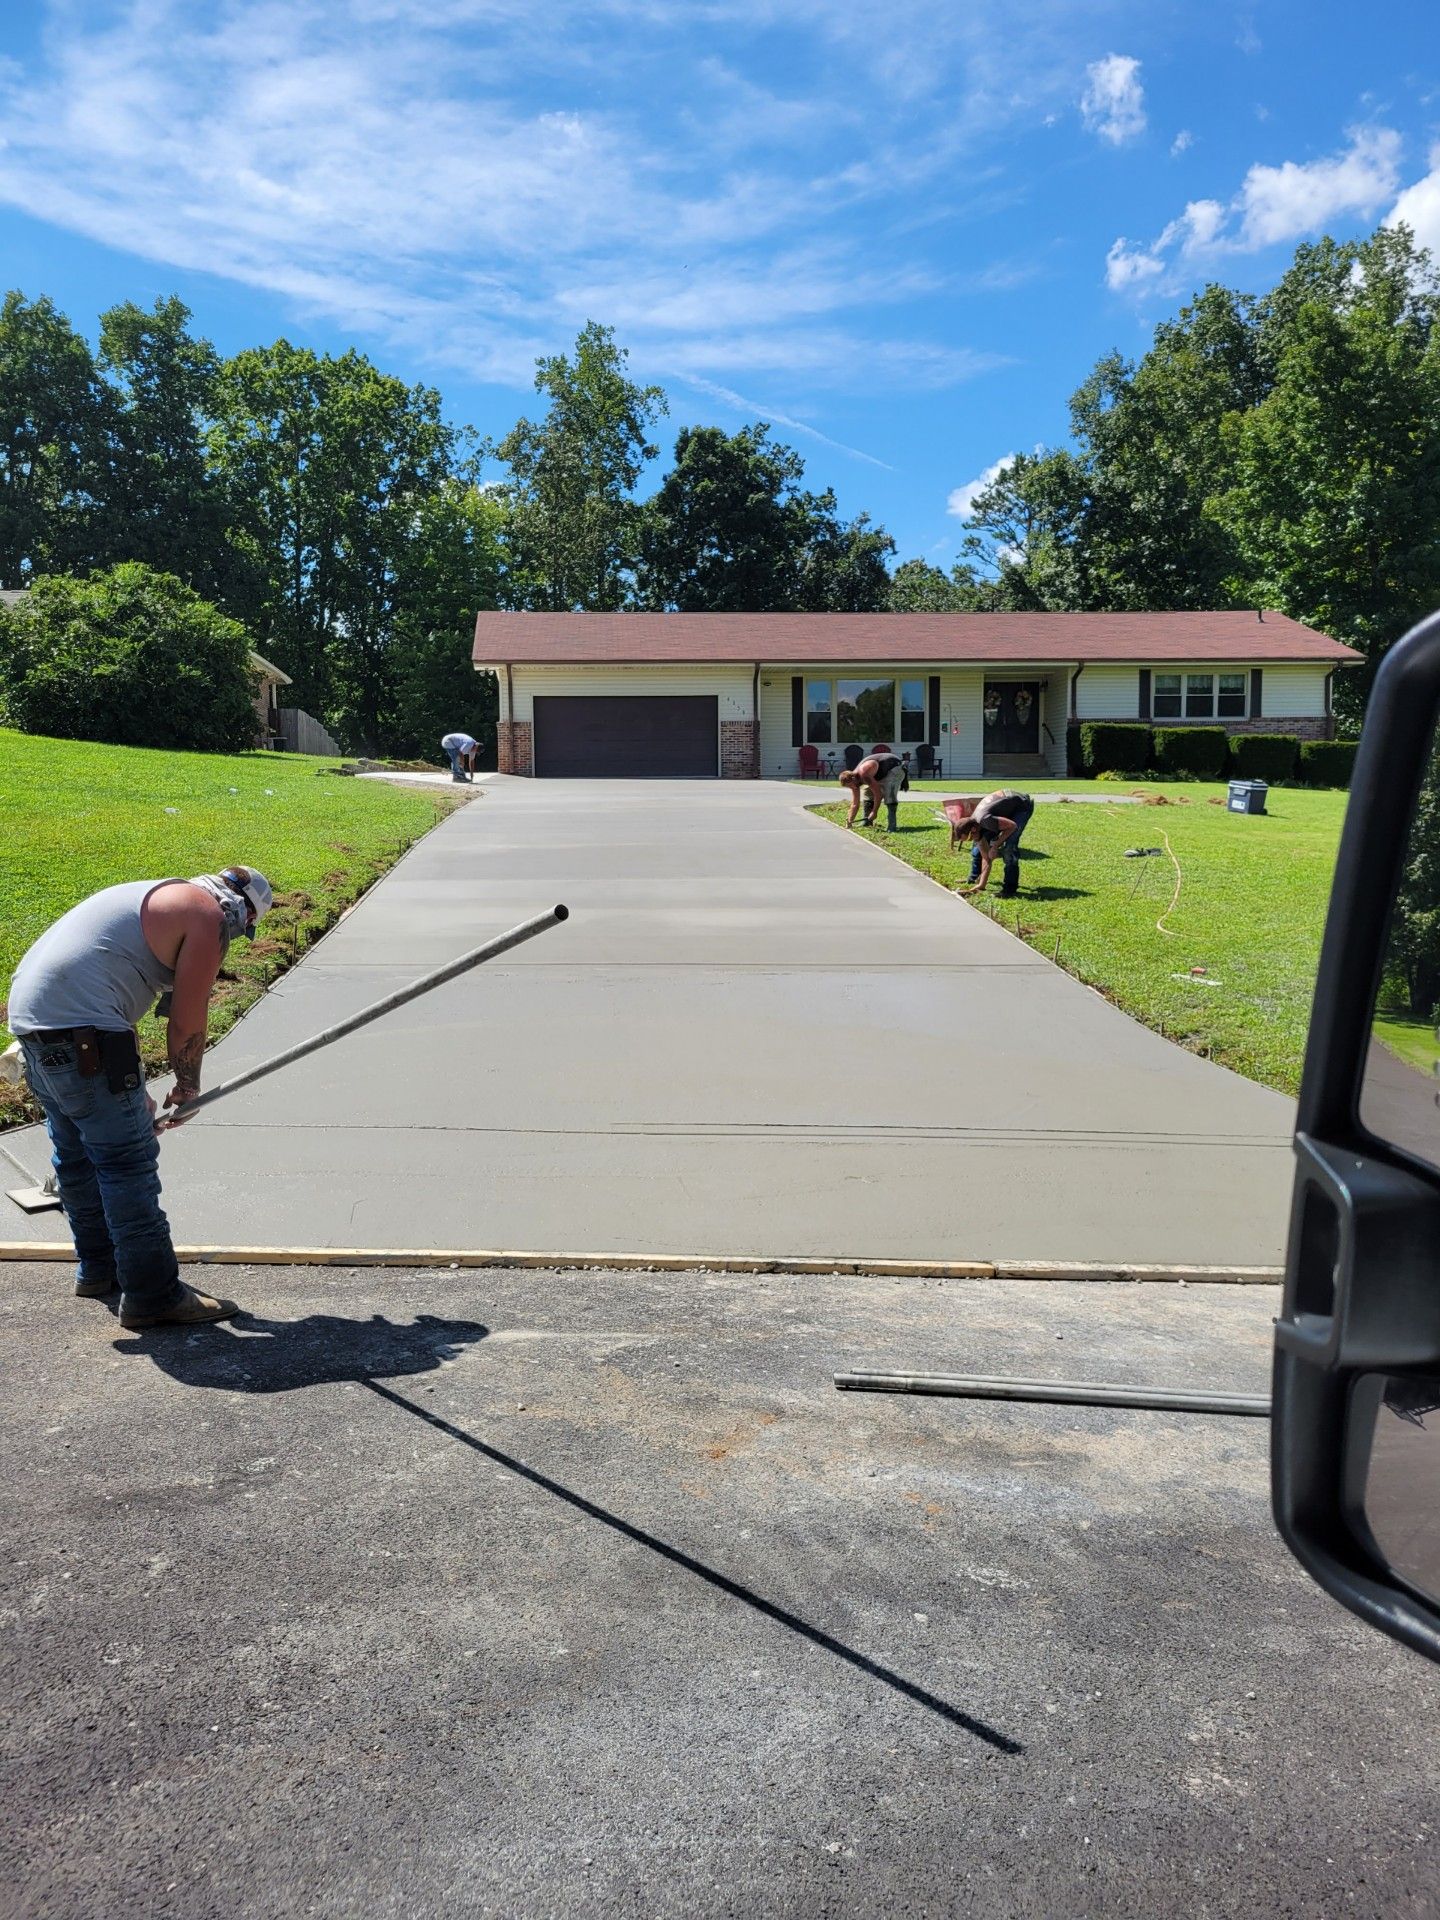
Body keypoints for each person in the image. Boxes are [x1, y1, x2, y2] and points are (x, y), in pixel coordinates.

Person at [6, 867, 274, 1329]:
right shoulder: (207, 917)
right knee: (126, 1165)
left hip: (34, 1034)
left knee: (76, 1158)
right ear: (243, 912)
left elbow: (98, 984)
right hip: (85, 1038)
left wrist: (128, 1089)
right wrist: (187, 1085)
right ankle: (153, 1295)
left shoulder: (148, 898)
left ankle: (98, 1270)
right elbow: (187, 1021)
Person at [955, 790, 1035, 898]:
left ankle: (1010, 889)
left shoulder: (985, 820)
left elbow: (1012, 826)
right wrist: (981, 885)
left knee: (1009, 849)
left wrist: (996, 845)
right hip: (1003, 810)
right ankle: (974, 878)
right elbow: (986, 857)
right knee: (977, 850)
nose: (971, 840)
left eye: (969, 838)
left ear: (973, 829)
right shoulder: (976, 824)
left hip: (1021, 807)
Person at [839, 749, 908, 832]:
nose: (852, 788)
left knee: (889, 795)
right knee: (867, 793)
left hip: (895, 767)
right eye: (849, 787)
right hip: (880, 772)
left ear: (853, 778)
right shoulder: (854, 781)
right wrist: (850, 820)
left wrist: (874, 812)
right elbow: (855, 804)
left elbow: (878, 795)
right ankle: (867, 822)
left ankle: (892, 826)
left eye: (850, 785)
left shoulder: (864, 774)